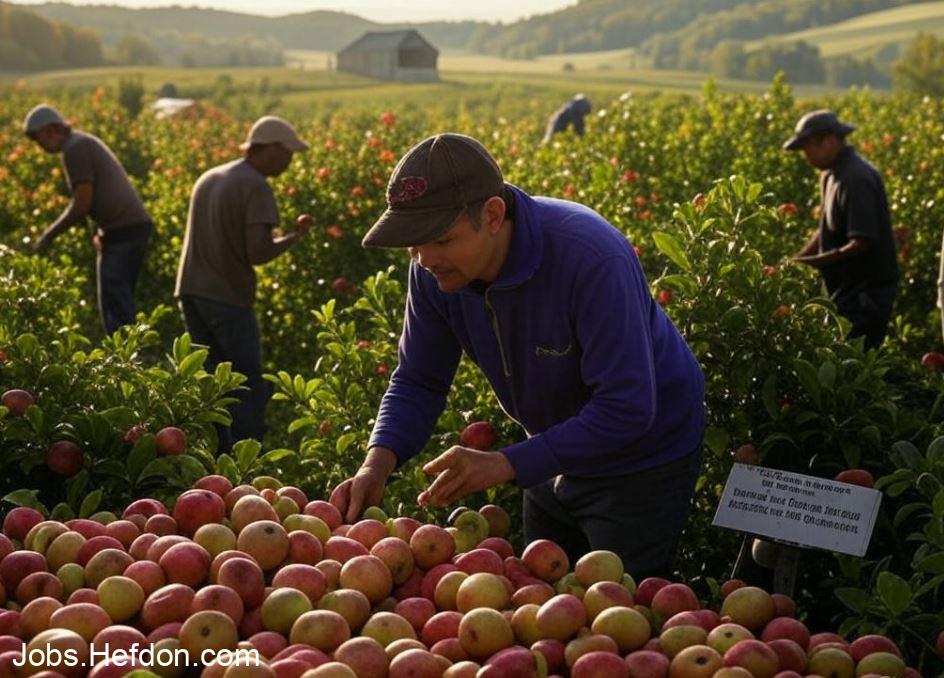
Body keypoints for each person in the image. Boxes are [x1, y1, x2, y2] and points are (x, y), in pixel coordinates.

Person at [330, 133, 706, 579]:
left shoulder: (589, 257)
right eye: (413, 243)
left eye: (442, 239)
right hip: (549, 450)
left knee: (620, 613)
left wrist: (507, 463)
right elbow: (419, 378)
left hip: (642, 462)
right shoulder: (435, 271)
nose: (425, 258)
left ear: (492, 215)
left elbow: (626, 408)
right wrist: (378, 462)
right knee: (543, 602)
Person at [174, 116, 310, 450]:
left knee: (212, 379)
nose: (291, 160)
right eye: (288, 152)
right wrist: (295, 236)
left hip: (190, 290)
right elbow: (258, 253)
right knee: (246, 381)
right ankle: (248, 455)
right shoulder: (255, 185)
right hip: (228, 297)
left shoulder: (210, 177)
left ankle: (216, 452)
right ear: (271, 149)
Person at [24, 104, 154, 335]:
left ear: (53, 130)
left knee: (116, 312)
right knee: (119, 304)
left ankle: (126, 367)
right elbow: (98, 195)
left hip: (123, 233)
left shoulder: (76, 148)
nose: (40, 145)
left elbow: (82, 203)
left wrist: (48, 236)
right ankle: (129, 363)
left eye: (39, 138)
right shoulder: (80, 143)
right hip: (124, 231)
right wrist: (97, 231)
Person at [784, 109, 898, 350]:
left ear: (828, 140)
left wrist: (817, 262)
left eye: (808, 149)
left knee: (854, 367)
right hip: (845, 295)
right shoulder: (830, 175)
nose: (806, 157)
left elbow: (860, 242)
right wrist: (796, 262)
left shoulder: (856, 178)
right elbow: (824, 230)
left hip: (865, 299)